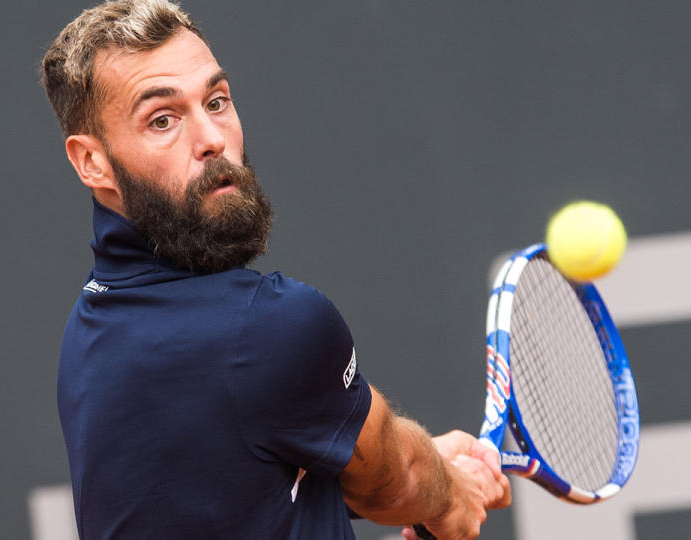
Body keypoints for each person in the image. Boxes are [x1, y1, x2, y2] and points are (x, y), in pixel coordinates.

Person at [41, 1, 510, 538]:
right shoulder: (266, 328)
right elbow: (395, 478)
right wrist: (449, 494)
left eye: (216, 101)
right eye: (163, 119)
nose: (211, 139)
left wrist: (428, 467)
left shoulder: (90, 335)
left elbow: (240, 491)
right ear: (92, 161)